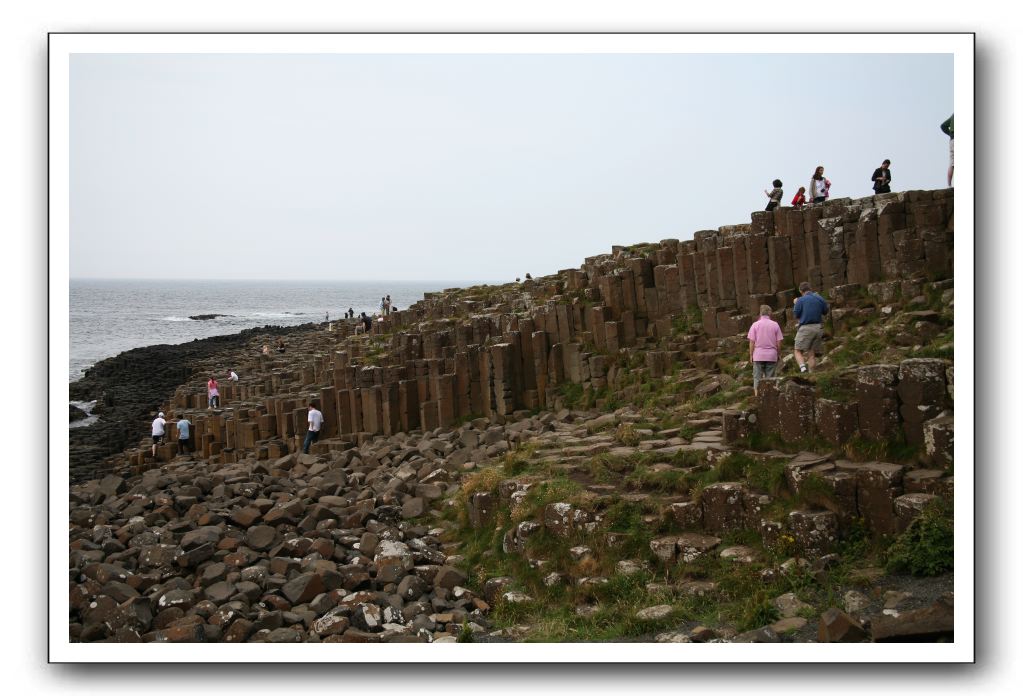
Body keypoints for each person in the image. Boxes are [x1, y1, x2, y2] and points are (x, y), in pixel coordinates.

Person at [792, 281, 829, 373]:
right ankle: (811, 373)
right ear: (810, 289)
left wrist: (796, 303)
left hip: (806, 328)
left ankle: (803, 368)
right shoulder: (819, 298)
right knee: (811, 353)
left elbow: (796, 315)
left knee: (797, 350)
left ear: (801, 291)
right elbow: (825, 311)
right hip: (818, 328)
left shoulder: (800, 300)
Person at [747, 305, 784, 396]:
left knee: (757, 378)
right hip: (771, 355)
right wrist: (778, 353)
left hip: (758, 355)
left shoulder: (755, 325)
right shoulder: (775, 324)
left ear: (760, 313)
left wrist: (751, 355)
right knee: (770, 379)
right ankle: (769, 397)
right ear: (770, 313)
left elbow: (752, 343)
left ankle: (757, 397)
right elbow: (779, 342)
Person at [941, 114, 954, 186]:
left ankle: (949, 185)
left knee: (952, 164)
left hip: (952, 140)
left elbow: (943, 126)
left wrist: (950, 134)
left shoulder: (954, 115)